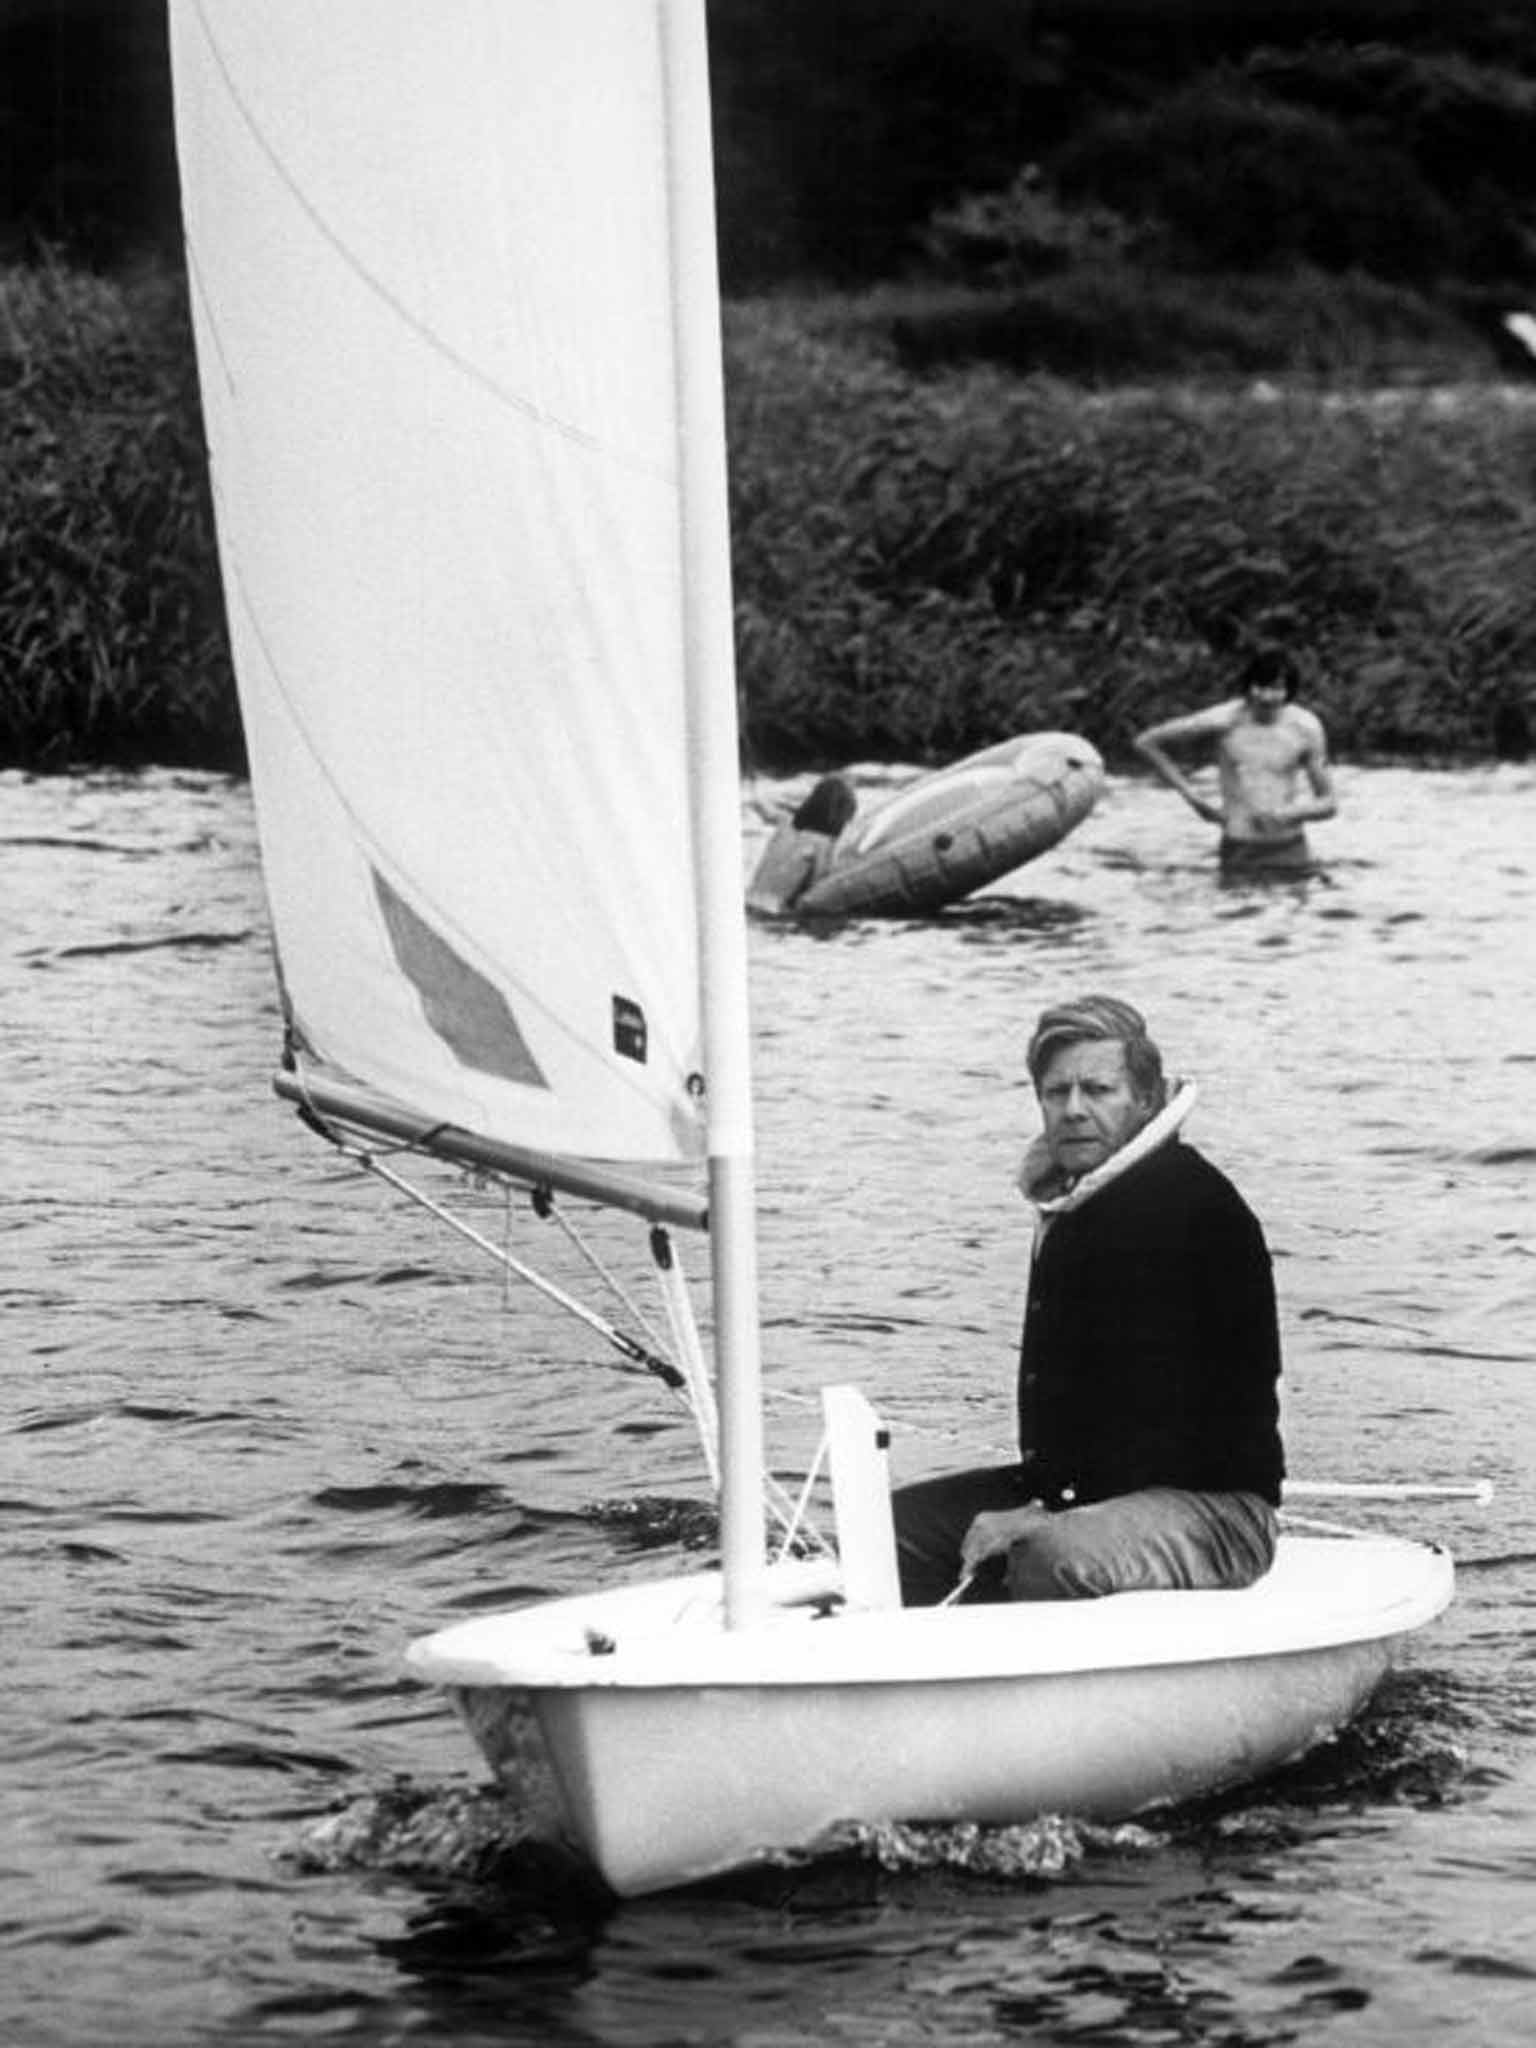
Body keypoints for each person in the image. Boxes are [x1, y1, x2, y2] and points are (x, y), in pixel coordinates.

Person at [892, 994, 1284, 1606]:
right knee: (889, 1530)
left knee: (1052, 1556)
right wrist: (1045, 1504)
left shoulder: (1192, 1209)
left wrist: (1046, 1518)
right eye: (1056, 1092)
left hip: (1215, 1511)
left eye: (1098, 1091)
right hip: (1082, 1494)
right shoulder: (1077, 1204)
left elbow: (1179, 1429)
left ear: (1147, 1100)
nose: (1073, 1110)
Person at [1133, 648, 1337, 874]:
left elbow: (1329, 804)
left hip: (1290, 846)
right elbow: (1146, 742)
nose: (1267, 697)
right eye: (1260, 687)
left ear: (1288, 691)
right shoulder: (1224, 719)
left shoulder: (1306, 728)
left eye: (1276, 689)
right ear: (1249, 688)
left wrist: (1287, 813)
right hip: (1240, 845)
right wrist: (1195, 800)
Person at [746, 773, 857, 916]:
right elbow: (816, 892)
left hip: (748, 902)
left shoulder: (784, 824)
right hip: (773, 914)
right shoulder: (824, 845)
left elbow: (762, 808)